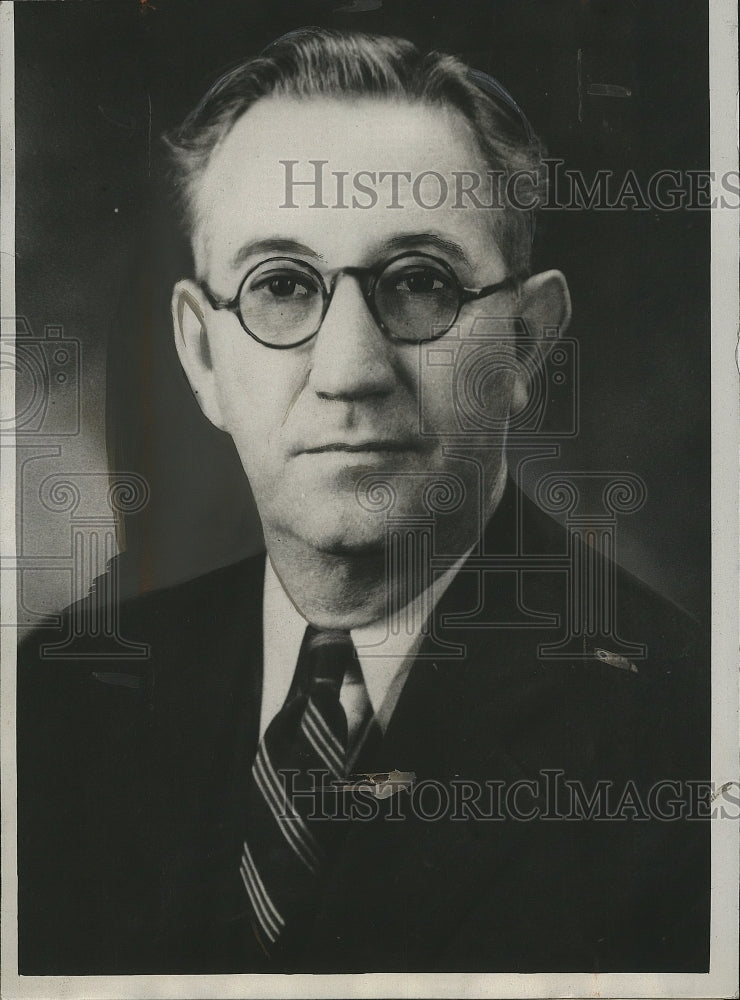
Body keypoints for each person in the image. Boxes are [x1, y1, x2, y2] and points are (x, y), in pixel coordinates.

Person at [17, 27, 709, 975]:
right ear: (203, 356)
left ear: (528, 343)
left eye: (421, 281)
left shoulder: (693, 731)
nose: (349, 370)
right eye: (283, 286)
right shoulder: (47, 708)